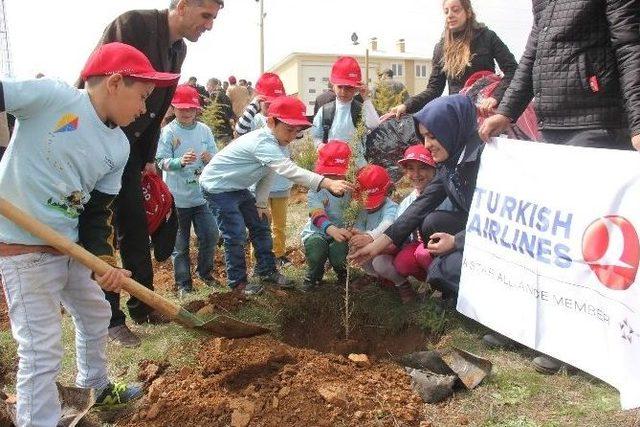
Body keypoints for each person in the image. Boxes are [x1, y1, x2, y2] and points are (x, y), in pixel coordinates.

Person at [0, 42, 180, 427]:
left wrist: (104, 263)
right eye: (142, 96)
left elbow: (97, 215)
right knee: (41, 348)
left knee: (96, 312)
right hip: (22, 247)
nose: (145, 110)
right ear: (115, 82)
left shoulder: (117, 147)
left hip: (68, 246)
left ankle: (95, 386)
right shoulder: (52, 97)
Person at [478, 0, 640, 373]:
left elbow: (630, 45)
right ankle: (530, 327)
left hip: (595, 118)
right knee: (547, 234)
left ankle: (574, 342)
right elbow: (533, 52)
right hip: (553, 121)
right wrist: (507, 111)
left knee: (584, 237)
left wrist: (637, 122)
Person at [83, 0, 224, 347]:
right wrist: (92, 141)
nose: (209, 26)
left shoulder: (177, 50)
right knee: (104, 233)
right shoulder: (133, 25)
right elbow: (100, 80)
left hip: (131, 153)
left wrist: (147, 156)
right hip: (99, 147)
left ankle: (144, 306)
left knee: (135, 226)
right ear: (182, 5)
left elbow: (157, 106)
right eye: (205, 15)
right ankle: (110, 318)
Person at [199, 96, 354, 295]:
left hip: (236, 187)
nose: (292, 136)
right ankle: (238, 283)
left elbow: (269, 171)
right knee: (236, 233)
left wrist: (261, 203)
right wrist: (327, 182)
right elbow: (286, 169)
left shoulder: (279, 143)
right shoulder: (262, 141)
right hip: (218, 187)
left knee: (261, 223)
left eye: (296, 131)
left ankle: (266, 270)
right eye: (289, 129)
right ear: (271, 122)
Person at [350, 95, 483, 304]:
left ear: (452, 129)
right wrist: (376, 246)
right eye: (424, 137)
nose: (427, 145)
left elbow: (499, 224)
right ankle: (454, 286)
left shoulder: (483, 162)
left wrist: (456, 242)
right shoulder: (451, 164)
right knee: (431, 222)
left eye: (432, 136)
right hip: (474, 229)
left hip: (496, 238)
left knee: (443, 271)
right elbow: (419, 207)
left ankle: (478, 300)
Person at [479, 0, 640, 153]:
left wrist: (637, 123)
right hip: (549, 127)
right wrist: (506, 112)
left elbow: (630, 49)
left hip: (596, 124)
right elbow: (532, 56)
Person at [390, 0, 517, 118]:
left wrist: (496, 97)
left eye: (455, 10)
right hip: (459, 114)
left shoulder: (487, 37)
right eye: (446, 12)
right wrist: (407, 105)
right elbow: (434, 90)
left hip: (487, 112)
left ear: (468, 12)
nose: (450, 15)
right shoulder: (441, 48)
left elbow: (513, 70)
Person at [156, 85, 219, 297]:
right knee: (180, 245)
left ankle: (205, 273)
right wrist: (179, 162)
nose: (186, 112)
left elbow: (215, 155)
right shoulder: (169, 132)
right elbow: (160, 161)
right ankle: (184, 284)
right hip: (177, 198)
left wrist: (210, 159)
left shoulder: (204, 131)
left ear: (196, 110)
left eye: (190, 109)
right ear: (173, 108)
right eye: (182, 108)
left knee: (210, 235)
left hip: (202, 197)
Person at [235, 72, 292, 266]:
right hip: (259, 184)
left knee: (280, 225)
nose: (271, 107)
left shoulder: (285, 120)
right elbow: (240, 130)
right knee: (259, 224)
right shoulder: (257, 120)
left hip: (281, 181)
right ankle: (258, 256)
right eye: (267, 103)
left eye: (275, 102)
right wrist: (253, 104)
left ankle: (279, 255)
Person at [369, 145, 438, 303]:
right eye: (410, 169)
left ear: (435, 168)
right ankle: (428, 281)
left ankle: (443, 285)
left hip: (442, 249)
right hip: (418, 246)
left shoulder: (446, 196)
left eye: (423, 168)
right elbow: (399, 236)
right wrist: (374, 246)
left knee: (423, 253)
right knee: (402, 262)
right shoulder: (407, 202)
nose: (416, 174)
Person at [300, 140, 353, 292]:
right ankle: (314, 274)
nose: (334, 179)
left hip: (341, 233)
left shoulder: (351, 191)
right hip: (318, 232)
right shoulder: (316, 190)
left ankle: (342, 274)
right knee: (316, 249)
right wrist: (332, 230)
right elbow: (317, 216)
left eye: (338, 174)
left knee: (338, 255)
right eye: (329, 175)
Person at [311, 56, 380, 168]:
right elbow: (315, 136)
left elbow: (374, 124)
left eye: (348, 87)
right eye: (340, 87)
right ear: (333, 86)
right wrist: (320, 146)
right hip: (331, 165)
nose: (343, 91)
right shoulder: (325, 111)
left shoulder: (361, 109)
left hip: (356, 166)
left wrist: (366, 98)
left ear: (356, 88)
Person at [347, 165, 399, 291]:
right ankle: (373, 275)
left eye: (374, 201)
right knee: (359, 247)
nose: (369, 207)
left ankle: (393, 278)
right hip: (369, 244)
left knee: (380, 259)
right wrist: (356, 235)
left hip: (388, 247)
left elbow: (388, 224)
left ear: (387, 191)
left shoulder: (390, 207)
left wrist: (369, 236)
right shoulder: (363, 210)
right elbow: (359, 226)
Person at [205, 77, 234, 145]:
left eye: (208, 85)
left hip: (219, 130)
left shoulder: (214, 96)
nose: (207, 88)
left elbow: (215, 113)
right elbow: (229, 111)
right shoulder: (225, 96)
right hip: (227, 129)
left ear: (212, 86)